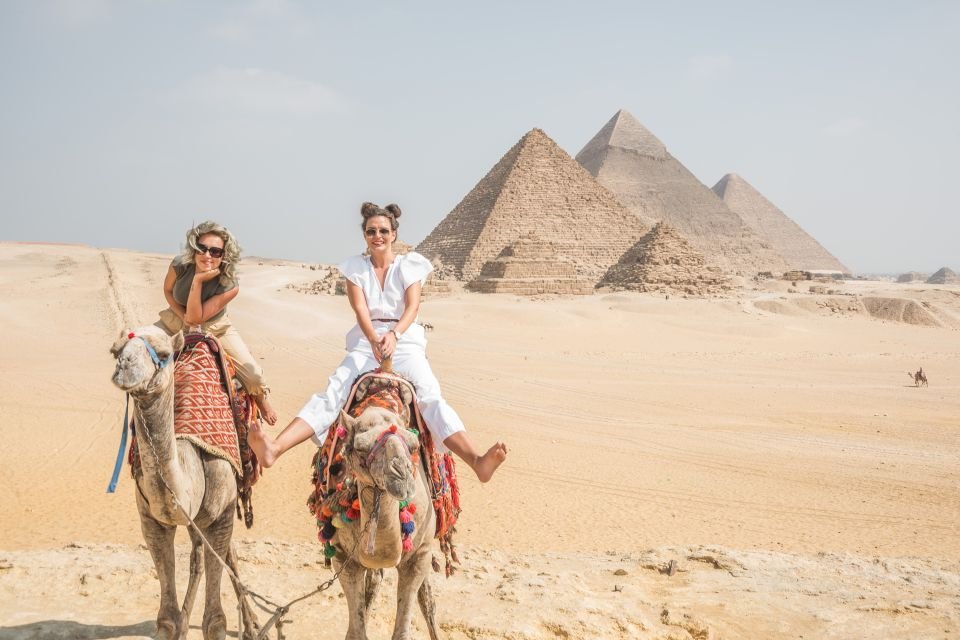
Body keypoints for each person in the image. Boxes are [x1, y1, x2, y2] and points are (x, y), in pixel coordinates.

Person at [248, 202, 507, 482]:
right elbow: (360, 309)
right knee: (334, 392)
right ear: (364, 235)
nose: (377, 236)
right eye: (371, 231)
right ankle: (275, 449)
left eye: (383, 230)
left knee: (430, 397)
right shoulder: (355, 269)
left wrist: (394, 335)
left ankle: (477, 461)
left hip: (404, 340)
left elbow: (412, 307)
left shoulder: (410, 266)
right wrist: (373, 338)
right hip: (366, 340)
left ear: (394, 234)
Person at [155, 220, 278, 424]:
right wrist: (181, 314)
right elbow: (168, 291)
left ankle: (261, 399)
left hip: (216, 327)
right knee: (138, 348)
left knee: (254, 377)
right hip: (174, 320)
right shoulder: (180, 265)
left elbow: (196, 319)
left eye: (215, 252)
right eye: (201, 248)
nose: (207, 255)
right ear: (194, 248)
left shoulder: (229, 284)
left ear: (224, 255)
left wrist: (198, 280)